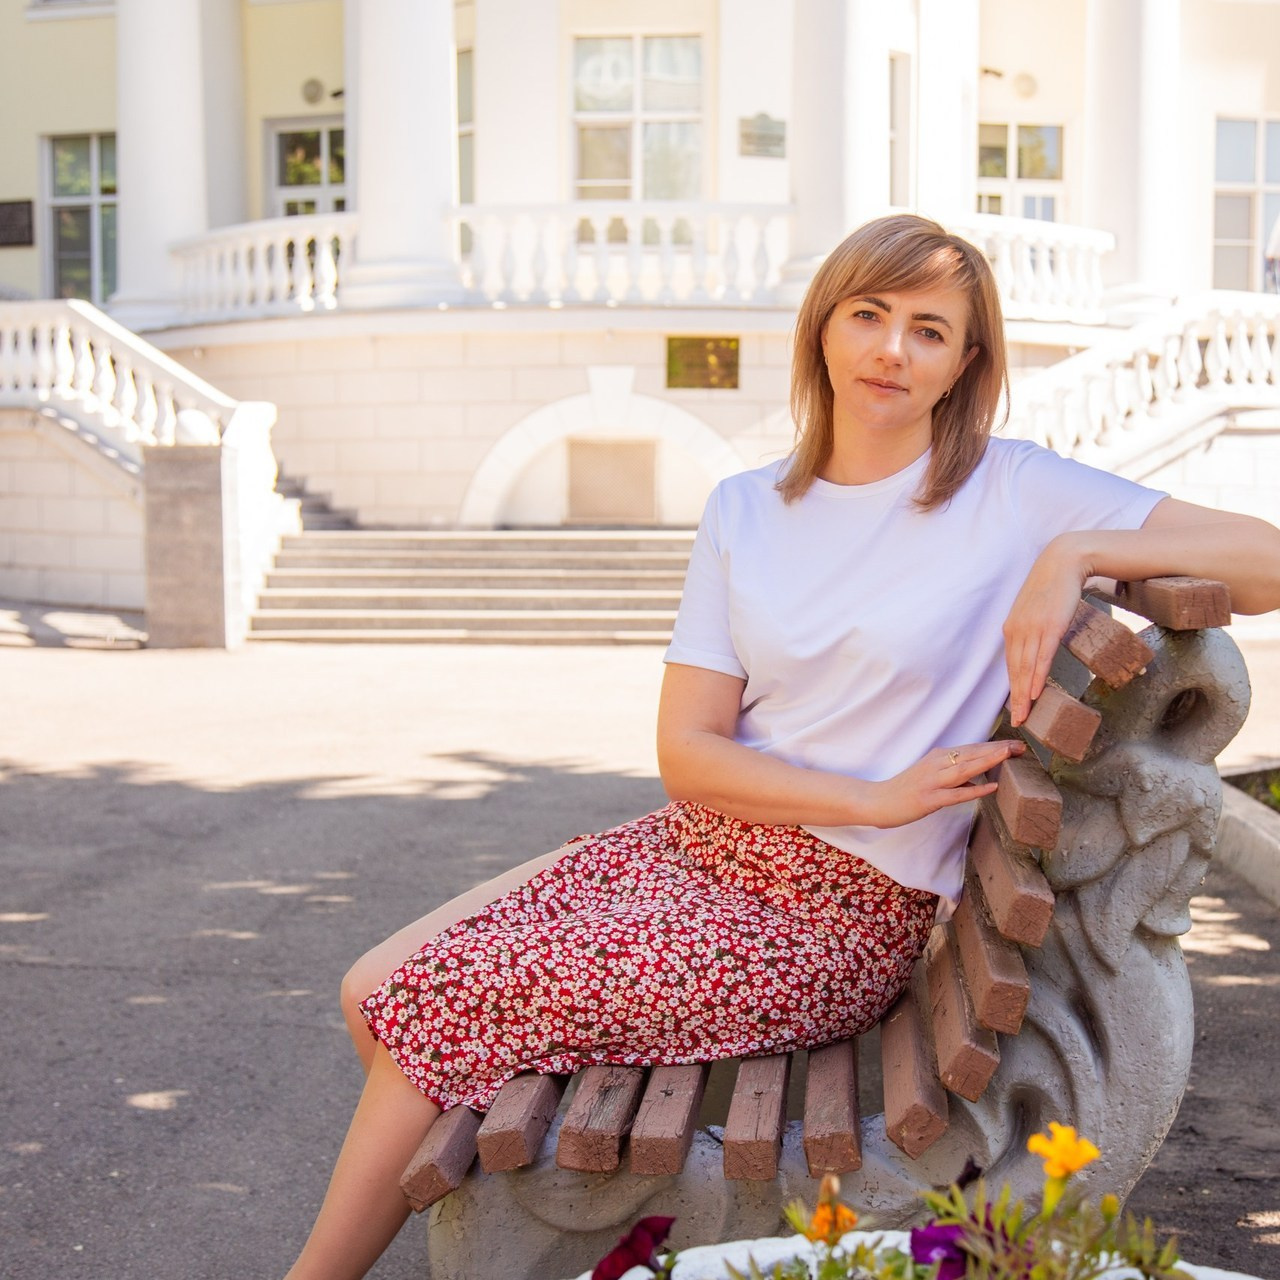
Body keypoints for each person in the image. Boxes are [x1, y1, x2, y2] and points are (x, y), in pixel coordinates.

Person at [283, 215, 1280, 1280]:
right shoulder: (743, 506)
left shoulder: (1016, 493)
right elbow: (688, 752)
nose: (889, 350)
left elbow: (1264, 558)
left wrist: (1079, 550)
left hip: (827, 915)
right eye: (867, 315)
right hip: (691, 853)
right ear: (822, 329)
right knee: (371, 985)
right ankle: (538, 1220)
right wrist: (872, 791)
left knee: (439, 1007)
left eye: (928, 330)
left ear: (964, 362)